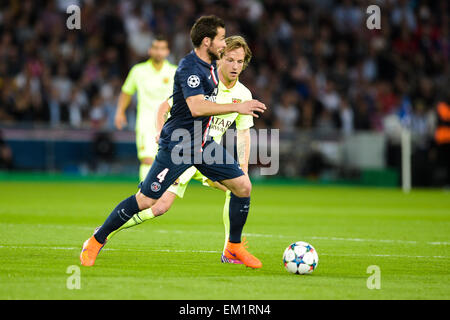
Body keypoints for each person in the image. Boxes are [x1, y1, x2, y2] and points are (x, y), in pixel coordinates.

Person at [80, 16, 266, 268]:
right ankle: (97, 239)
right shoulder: (193, 70)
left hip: (203, 147)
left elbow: (243, 133)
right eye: (225, 50)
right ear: (211, 46)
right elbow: (193, 107)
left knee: (243, 186)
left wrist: (242, 164)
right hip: (179, 146)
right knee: (149, 202)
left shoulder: (227, 82)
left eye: (239, 61)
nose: (233, 63)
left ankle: (232, 248)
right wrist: (161, 130)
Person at [115, 34, 177, 182]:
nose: (158, 51)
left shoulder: (175, 71)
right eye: (156, 48)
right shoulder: (138, 70)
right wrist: (120, 112)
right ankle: (146, 197)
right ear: (150, 50)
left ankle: (159, 199)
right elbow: (126, 91)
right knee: (148, 160)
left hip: (169, 123)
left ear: (167, 52)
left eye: (162, 48)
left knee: (168, 162)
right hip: (145, 122)